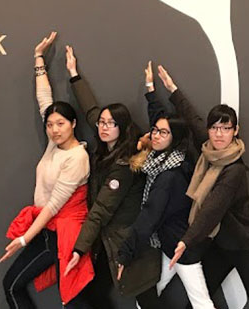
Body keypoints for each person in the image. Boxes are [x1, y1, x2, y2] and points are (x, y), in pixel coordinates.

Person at [158, 66, 249, 309]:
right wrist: (172, 90)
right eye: (215, 127)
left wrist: (186, 241)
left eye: (226, 128)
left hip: (244, 244)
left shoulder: (233, 168)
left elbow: (213, 208)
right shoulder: (209, 152)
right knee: (197, 302)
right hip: (220, 243)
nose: (219, 133)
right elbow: (193, 120)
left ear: (236, 131)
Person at [62, 45, 162, 308]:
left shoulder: (123, 163)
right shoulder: (108, 145)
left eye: (111, 124)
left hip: (126, 243)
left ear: (122, 127)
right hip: (109, 242)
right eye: (102, 123)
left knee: (145, 298)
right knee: (90, 296)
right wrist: (74, 75)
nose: (104, 127)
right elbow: (91, 110)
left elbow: (102, 209)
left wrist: (78, 249)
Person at [0, 31, 94, 308]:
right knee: (76, 299)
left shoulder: (77, 157)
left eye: (60, 124)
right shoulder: (55, 145)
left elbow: (53, 206)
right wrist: (38, 58)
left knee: (16, 286)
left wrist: (23, 238)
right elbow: (45, 101)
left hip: (61, 234)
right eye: (51, 125)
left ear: (73, 124)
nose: (54, 129)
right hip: (48, 230)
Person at [116, 62, 216, 309]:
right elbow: (162, 124)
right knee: (148, 294)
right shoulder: (164, 160)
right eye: (154, 132)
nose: (155, 136)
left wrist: (126, 252)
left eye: (163, 133)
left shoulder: (168, 175)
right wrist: (151, 91)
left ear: (175, 139)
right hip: (168, 244)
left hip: (181, 247)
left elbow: (149, 216)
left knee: (202, 303)